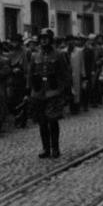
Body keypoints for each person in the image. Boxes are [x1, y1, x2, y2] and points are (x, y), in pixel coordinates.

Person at [29, 29, 70, 158]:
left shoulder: (59, 55)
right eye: (41, 38)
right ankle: (45, 148)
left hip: (53, 92)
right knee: (42, 122)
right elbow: (30, 74)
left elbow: (65, 74)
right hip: (39, 93)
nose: (43, 40)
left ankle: (55, 148)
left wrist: (65, 91)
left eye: (46, 38)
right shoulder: (35, 55)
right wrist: (29, 91)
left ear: (51, 39)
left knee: (53, 121)